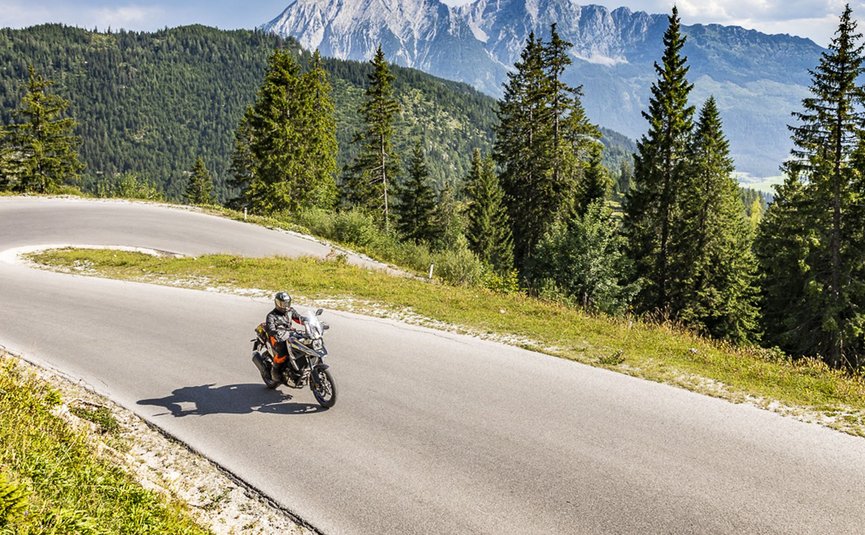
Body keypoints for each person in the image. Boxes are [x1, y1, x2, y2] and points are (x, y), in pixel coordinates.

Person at [265, 291, 303, 382]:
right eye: (282, 304)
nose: (285, 306)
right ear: (277, 303)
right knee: (282, 353)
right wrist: (275, 332)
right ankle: (275, 372)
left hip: (289, 334)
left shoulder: (290, 311)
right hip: (277, 337)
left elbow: (299, 319)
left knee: (302, 343)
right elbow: (270, 328)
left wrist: (309, 321)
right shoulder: (271, 316)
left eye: (287, 303)